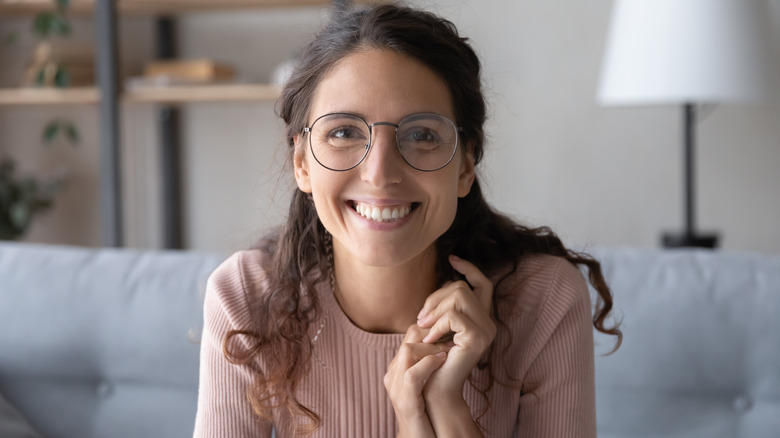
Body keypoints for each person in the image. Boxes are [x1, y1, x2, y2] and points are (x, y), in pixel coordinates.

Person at [193, 3, 621, 437]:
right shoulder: (246, 297)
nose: (380, 172)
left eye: (421, 135)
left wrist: (443, 408)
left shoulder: (542, 301)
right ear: (302, 162)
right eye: (344, 131)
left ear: (465, 166)